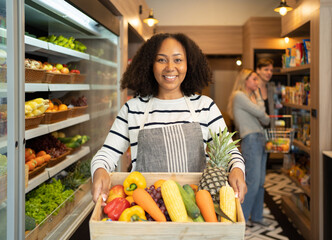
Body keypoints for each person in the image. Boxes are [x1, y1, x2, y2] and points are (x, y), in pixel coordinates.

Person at [91, 33, 247, 206]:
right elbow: (107, 154)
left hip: (197, 206)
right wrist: (99, 170)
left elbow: (230, 151)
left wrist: (237, 169)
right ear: (150, 64)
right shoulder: (133, 109)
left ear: (189, 65)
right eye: (161, 60)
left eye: (178, 60)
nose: (170, 67)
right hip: (146, 208)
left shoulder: (205, 106)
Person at [227, 69, 270, 226]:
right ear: (245, 80)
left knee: (260, 182)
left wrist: (259, 108)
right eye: (254, 79)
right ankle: (242, 220)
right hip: (251, 140)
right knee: (252, 181)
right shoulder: (239, 96)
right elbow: (261, 112)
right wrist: (259, 98)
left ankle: (257, 217)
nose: (257, 83)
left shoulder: (249, 98)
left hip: (260, 139)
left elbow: (265, 120)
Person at [256, 58, 274, 125]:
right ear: (258, 70)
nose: (269, 73)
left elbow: (272, 113)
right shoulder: (252, 89)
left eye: (271, 70)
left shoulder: (271, 89)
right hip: (255, 131)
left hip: (269, 131)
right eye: (266, 69)